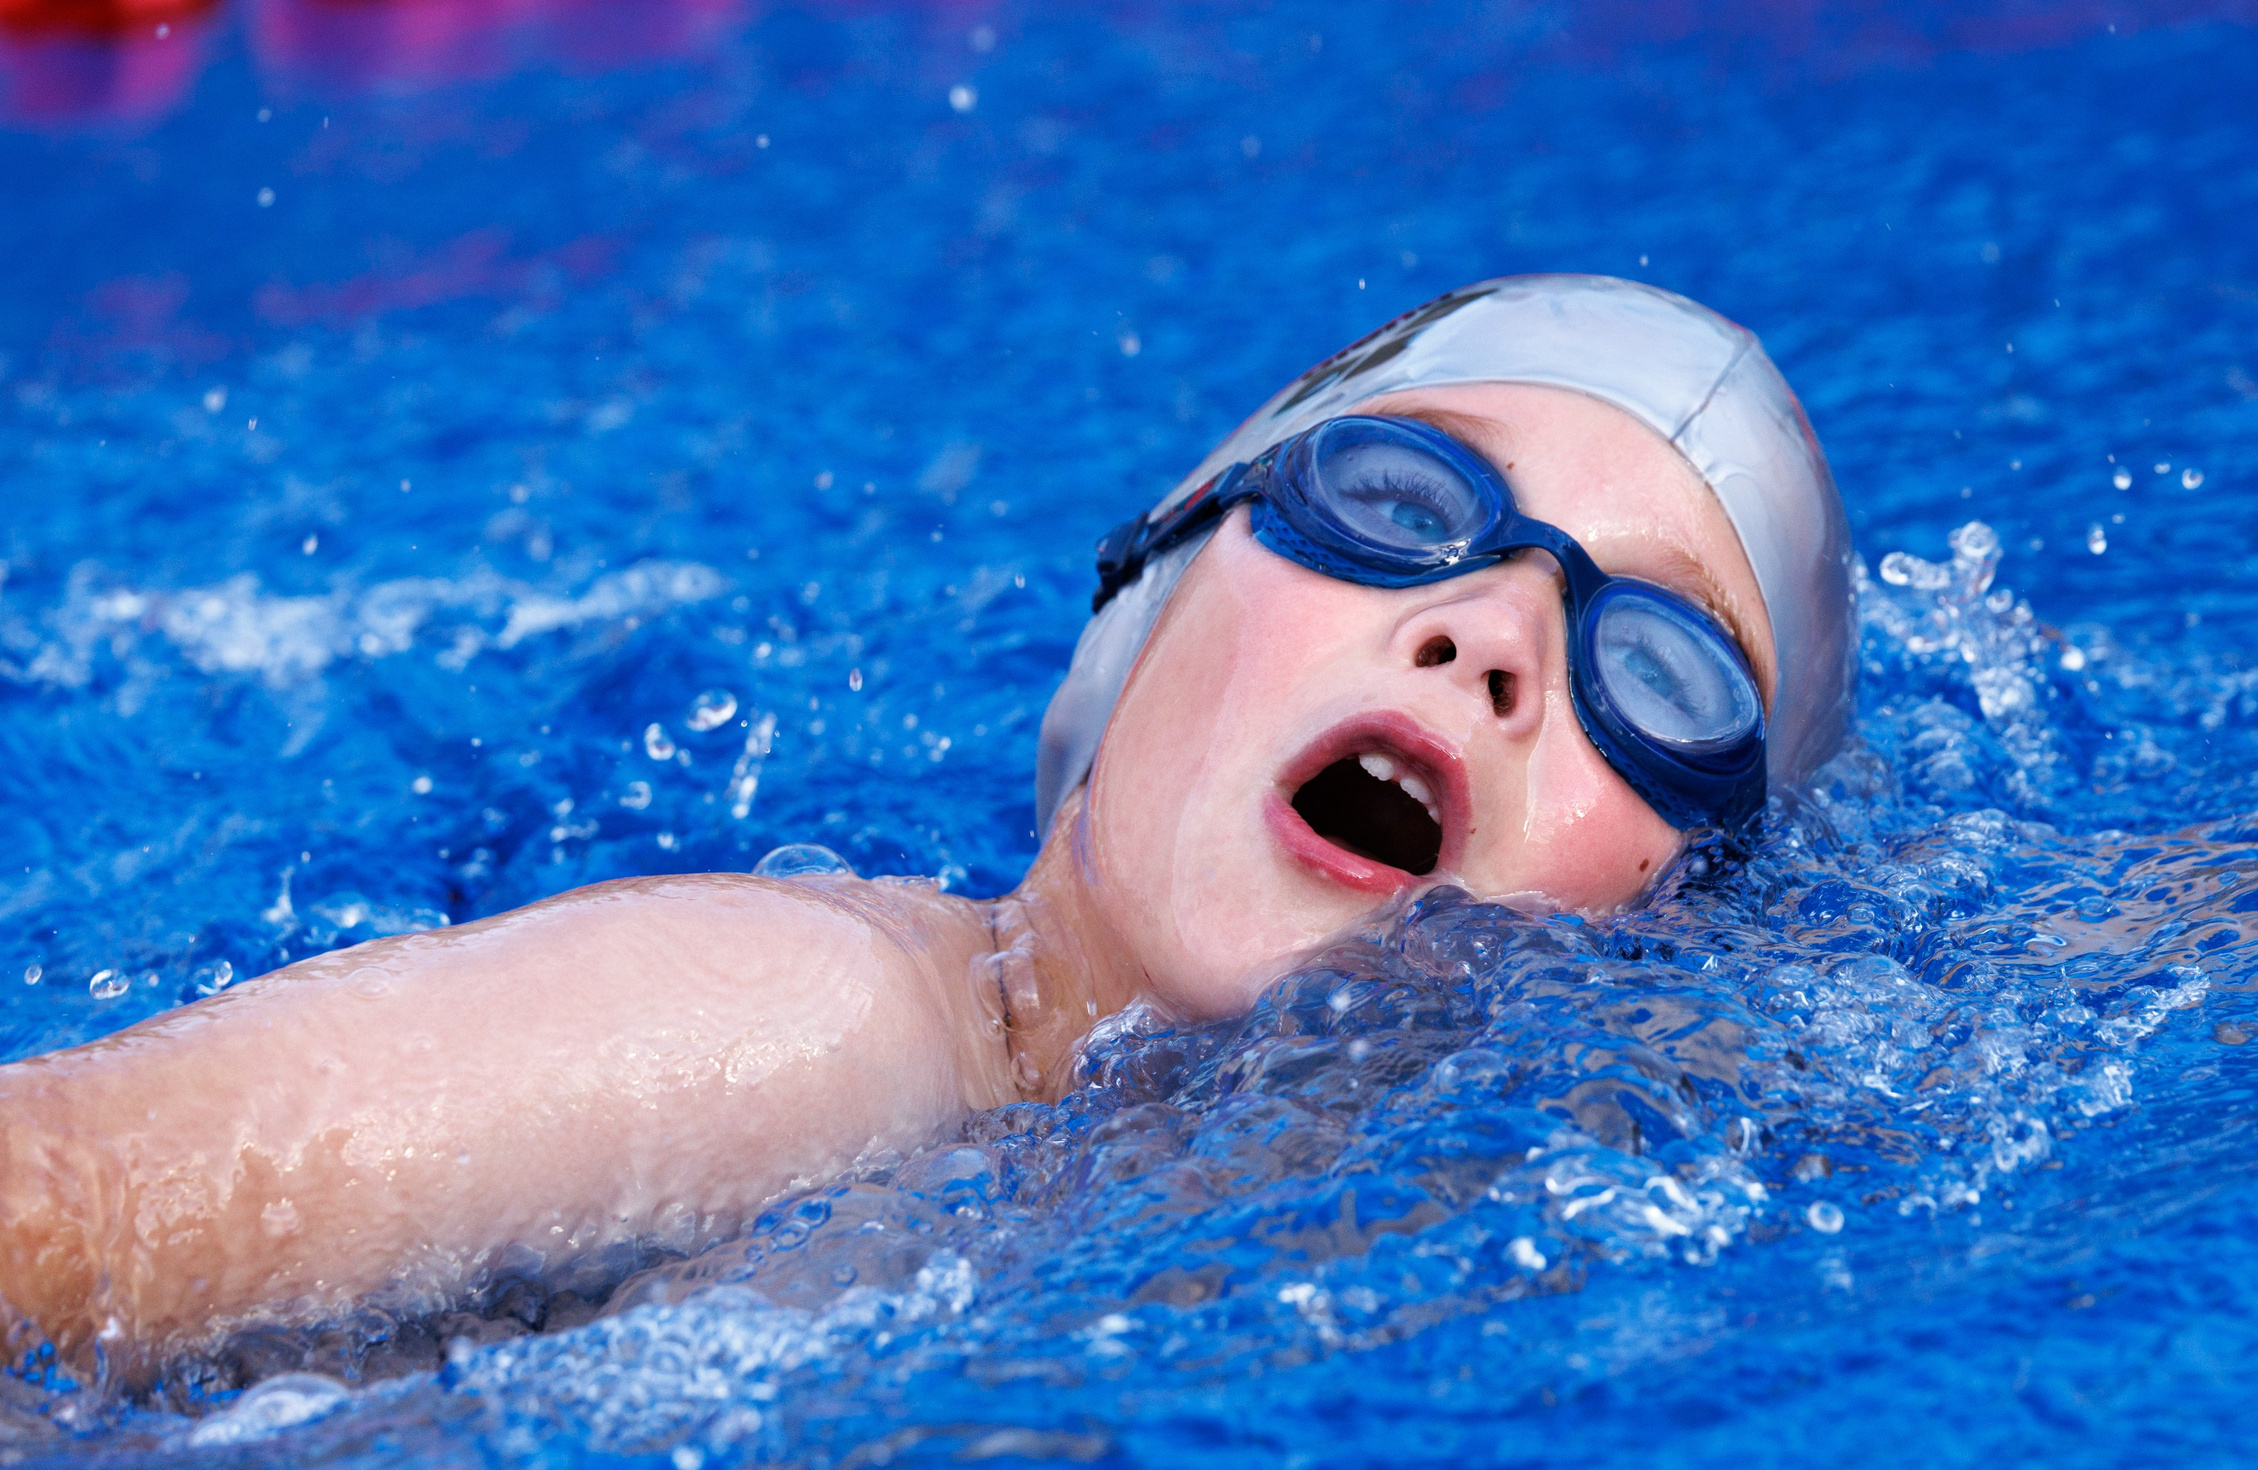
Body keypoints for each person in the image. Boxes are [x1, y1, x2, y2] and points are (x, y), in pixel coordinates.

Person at [0, 275, 1855, 1374]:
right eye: (1400, 496)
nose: (1499, 630)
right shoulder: (820, 1024)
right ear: (1149, 616)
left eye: (1664, 671)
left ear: (1690, 913)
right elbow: (65, 1208)